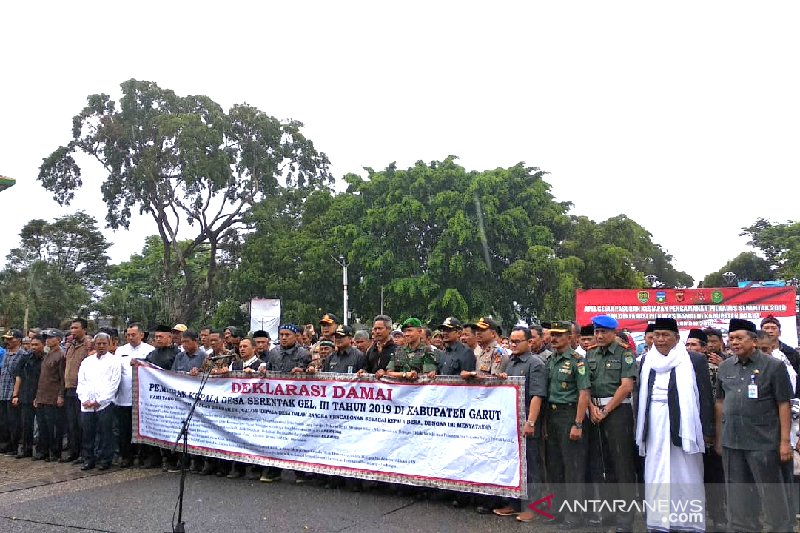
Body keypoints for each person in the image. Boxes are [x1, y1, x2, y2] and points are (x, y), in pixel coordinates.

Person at [715, 318, 794, 532]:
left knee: (772, 497)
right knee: (738, 498)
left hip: (764, 442)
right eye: (731, 339)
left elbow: (783, 404)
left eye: (739, 338)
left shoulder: (773, 366)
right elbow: (720, 402)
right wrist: (720, 439)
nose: (734, 343)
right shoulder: (724, 367)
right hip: (733, 442)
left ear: (754, 341)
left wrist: (785, 442)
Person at [636, 318, 714, 532]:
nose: (660, 340)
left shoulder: (693, 360)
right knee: (656, 470)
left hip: (684, 424)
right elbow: (642, 395)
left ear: (677, 338)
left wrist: (708, 431)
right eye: (656, 335)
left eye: (665, 335)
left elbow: (705, 396)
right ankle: (659, 521)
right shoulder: (646, 360)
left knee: (686, 470)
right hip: (654, 423)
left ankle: (687, 522)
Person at [585, 314, 638, 531]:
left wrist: (605, 410)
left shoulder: (625, 354)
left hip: (617, 412)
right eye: (596, 332)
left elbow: (626, 386)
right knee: (602, 466)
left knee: (622, 465)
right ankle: (607, 514)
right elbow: (584, 385)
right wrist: (591, 408)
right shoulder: (590, 355)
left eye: (603, 332)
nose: (599, 335)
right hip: (594, 411)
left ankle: (625, 520)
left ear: (613, 333)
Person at [493, 325, 549, 522]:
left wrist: (531, 422)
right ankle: (514, 503)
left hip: (528, 422)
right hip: (511, 421)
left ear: (529, 342)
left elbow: (537, 396)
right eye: (512, 341)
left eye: (518, 341)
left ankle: (534, 507)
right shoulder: (511, 363)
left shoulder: (536, 364)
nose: (513, 344)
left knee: (532, 466)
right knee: (514, 463)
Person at [543, 320, 591, 527]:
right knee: (554, 466)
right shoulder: (551, 359)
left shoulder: (577, 361)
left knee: (573, 469)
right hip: (552, 416)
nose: (554, 338)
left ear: (570, 338)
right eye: (552, 334)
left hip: (570, 415)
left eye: (559, 335)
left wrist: (578, 423)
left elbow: (584, 393)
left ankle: (574, 515)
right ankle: (557, 511)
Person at [76, 332, 121, 470]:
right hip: (87, 404)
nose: (101, 346)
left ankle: (105, 459)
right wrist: (84, 399)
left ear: (109, 344)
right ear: (94, 344)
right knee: (88, 433)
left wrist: (99, 401)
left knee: (105, 433)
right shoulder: (87, 362)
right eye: (98, 343)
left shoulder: (114, 361)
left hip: (105, 404)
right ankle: (89, 459)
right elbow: (81, 382)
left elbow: (114, 384)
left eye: (104, 343)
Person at [115, 323, 154, 468]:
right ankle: (126, 456)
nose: (130, 337)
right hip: (123, 397)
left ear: (141, 335)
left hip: (142, 398)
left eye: (133, 334)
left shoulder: (150, 350)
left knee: (142, 429)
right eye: (128, 335)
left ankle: (143, 456)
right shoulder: (120, 350)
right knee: (124, 430)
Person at [34, 330, 66, 462]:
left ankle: (55, 452)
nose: (47, 340)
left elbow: (62, 378)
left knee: (53, 427)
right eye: (46, 338)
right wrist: (37, 396)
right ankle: (44, 451)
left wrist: (61, 395)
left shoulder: (61, 355)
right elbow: (42, 378)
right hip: (42, 396)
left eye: (50, 337)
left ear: (58, 339)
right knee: (43, 426)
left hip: (53, 397)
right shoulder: (47, 355)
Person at [12, 334, 45, 459]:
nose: (33, 347)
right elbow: (18, 376)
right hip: (25, 394)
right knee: (26, 424)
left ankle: (42, 450)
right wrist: (15, 394)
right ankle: (26, 449)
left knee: (41, 424)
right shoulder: (25, 358)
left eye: (36, 345)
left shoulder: (45, 359)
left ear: (43, 345)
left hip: (40, 395)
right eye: (32, 345)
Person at [63, 318, 91, 464]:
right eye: (71, 328)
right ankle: (73, 452)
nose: (72, 330)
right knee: (71, 423)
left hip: (82, 390)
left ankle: (84, 453)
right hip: (69, 389)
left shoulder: (89, 345)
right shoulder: (70, 345)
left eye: (75, 328)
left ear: (83, 329)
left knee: (82, 424)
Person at [0, 329, 27, 456]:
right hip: (2, 391)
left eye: (11, 339)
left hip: (13, 392)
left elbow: (19, 376)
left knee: (14, 421)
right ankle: (6, 444)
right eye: (6, 339)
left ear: (18, 340)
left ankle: (14, 446)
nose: (7, 341)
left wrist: (15, 394)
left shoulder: (22, 355)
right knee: (4, 420)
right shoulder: (6, 353)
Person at [760, 315, 800, 395]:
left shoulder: (791, 353)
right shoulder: (754, 352)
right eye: (766, 328)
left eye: (773, 328)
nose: (770, 331)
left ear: (780, 332)